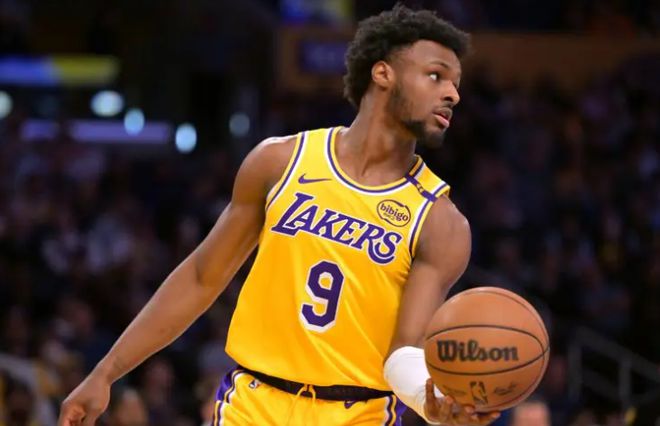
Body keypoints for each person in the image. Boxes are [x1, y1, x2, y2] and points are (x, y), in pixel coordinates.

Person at [58, 5, 501, 426]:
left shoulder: (440, 221)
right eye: (436, 75)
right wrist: (106, 372)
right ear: (382, 73)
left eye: (456, 83)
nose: (452, 94)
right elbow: (201, 278)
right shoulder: (280, 162)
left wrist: (430, 400)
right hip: (253, 404)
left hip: (356, 413)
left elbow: (405, 352)